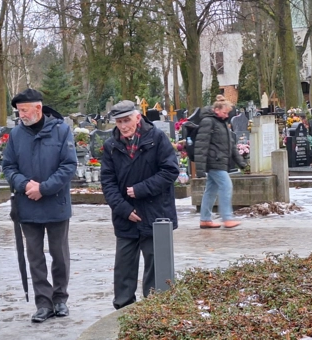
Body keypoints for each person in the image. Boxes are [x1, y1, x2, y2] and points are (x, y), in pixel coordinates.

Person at [2, 88, 77, 323]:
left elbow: (68, 166)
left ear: (38, 108)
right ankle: (43, 303)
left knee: (59, 255)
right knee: (34, 256)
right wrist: (25, 185)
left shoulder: (62, 130)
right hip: (28, 205)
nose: (21, 115)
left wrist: (43, 188)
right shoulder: (16, 135)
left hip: (55, 203)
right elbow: (8, 166)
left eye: (24, 110)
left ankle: (60, 299)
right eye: (19, 111)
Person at [100, 100, 179, 310]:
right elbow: (107, 182)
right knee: (124, 268)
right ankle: (123, 310)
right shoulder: (111, 147)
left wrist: (141, 189)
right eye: (119, 122)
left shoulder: (157, 138)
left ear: (137, 117)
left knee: (155, 267)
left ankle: (154, 311)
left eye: (127, 120)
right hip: (125, 216)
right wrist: (124, 209)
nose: (124, 126)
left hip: (155, 213)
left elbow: (170, 171)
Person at [194, 94, 247, 229]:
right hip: (214, 162)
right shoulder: (208, 122)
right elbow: (201, 145)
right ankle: (227, 218)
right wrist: (199, 169)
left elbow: (231, 146)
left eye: (227, 113)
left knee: (211, 190)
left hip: (219, 162)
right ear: (216, 110)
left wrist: (241, 163)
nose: (226, 115)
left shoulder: (222, 124)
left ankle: (205, 219)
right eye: (224, 112)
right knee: (226, 186)